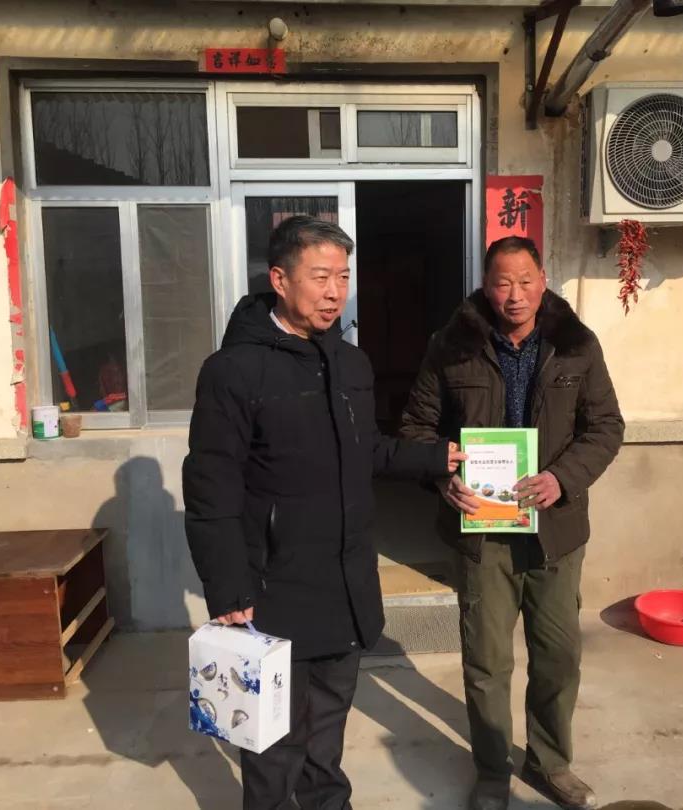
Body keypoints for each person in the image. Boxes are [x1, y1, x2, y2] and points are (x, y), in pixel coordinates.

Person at [182, 215, 463, 810]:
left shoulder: (350, 363)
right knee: (272, 740)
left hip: (345, 582)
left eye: (343, 276)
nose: (335, 292)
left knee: (327, 731)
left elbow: (369, 450)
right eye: (320, 277)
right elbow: (211, 488)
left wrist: (436, 457)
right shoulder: (234, 371)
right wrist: (227, 587)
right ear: (280, 279)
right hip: (274, 588)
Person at [400, 236, 624, 810]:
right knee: (487, 661)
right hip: (483, 532)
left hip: (555, 530)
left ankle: (550, 763)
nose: (515, 295)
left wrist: (562, 479)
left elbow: (605, 427)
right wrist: (443, 477)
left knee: (557, 655)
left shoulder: (577, 345)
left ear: (543, 280)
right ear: (485, 284)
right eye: (502, 283)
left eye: (525, 281)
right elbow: (417, 429)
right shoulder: (450, 347)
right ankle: (493, 771)